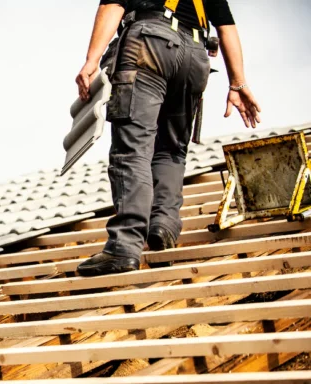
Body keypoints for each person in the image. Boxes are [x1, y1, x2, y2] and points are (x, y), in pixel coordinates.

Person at [74, 0, 261, 276]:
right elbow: (226, 26)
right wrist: (238, 83)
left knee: (133, 149)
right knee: (172, 150)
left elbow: (114, 3)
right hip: (196, 57)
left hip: (150, 43)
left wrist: (91, 61)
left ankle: (124, 246)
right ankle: (162, 225)